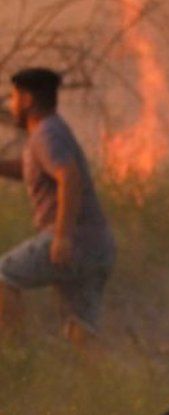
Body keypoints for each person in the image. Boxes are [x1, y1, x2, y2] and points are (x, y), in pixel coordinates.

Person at [0, 67, 115, 343]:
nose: (11, 105)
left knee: (3, 277)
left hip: (74, 240)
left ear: (27, 100)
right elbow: (35, 170)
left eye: (14, 98)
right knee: (80, 331)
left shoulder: (46, 133)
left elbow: (69, 177)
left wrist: (62, 236)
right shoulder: (51, 131)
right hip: (97, 245)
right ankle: (107, 384)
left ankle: (17, 356)